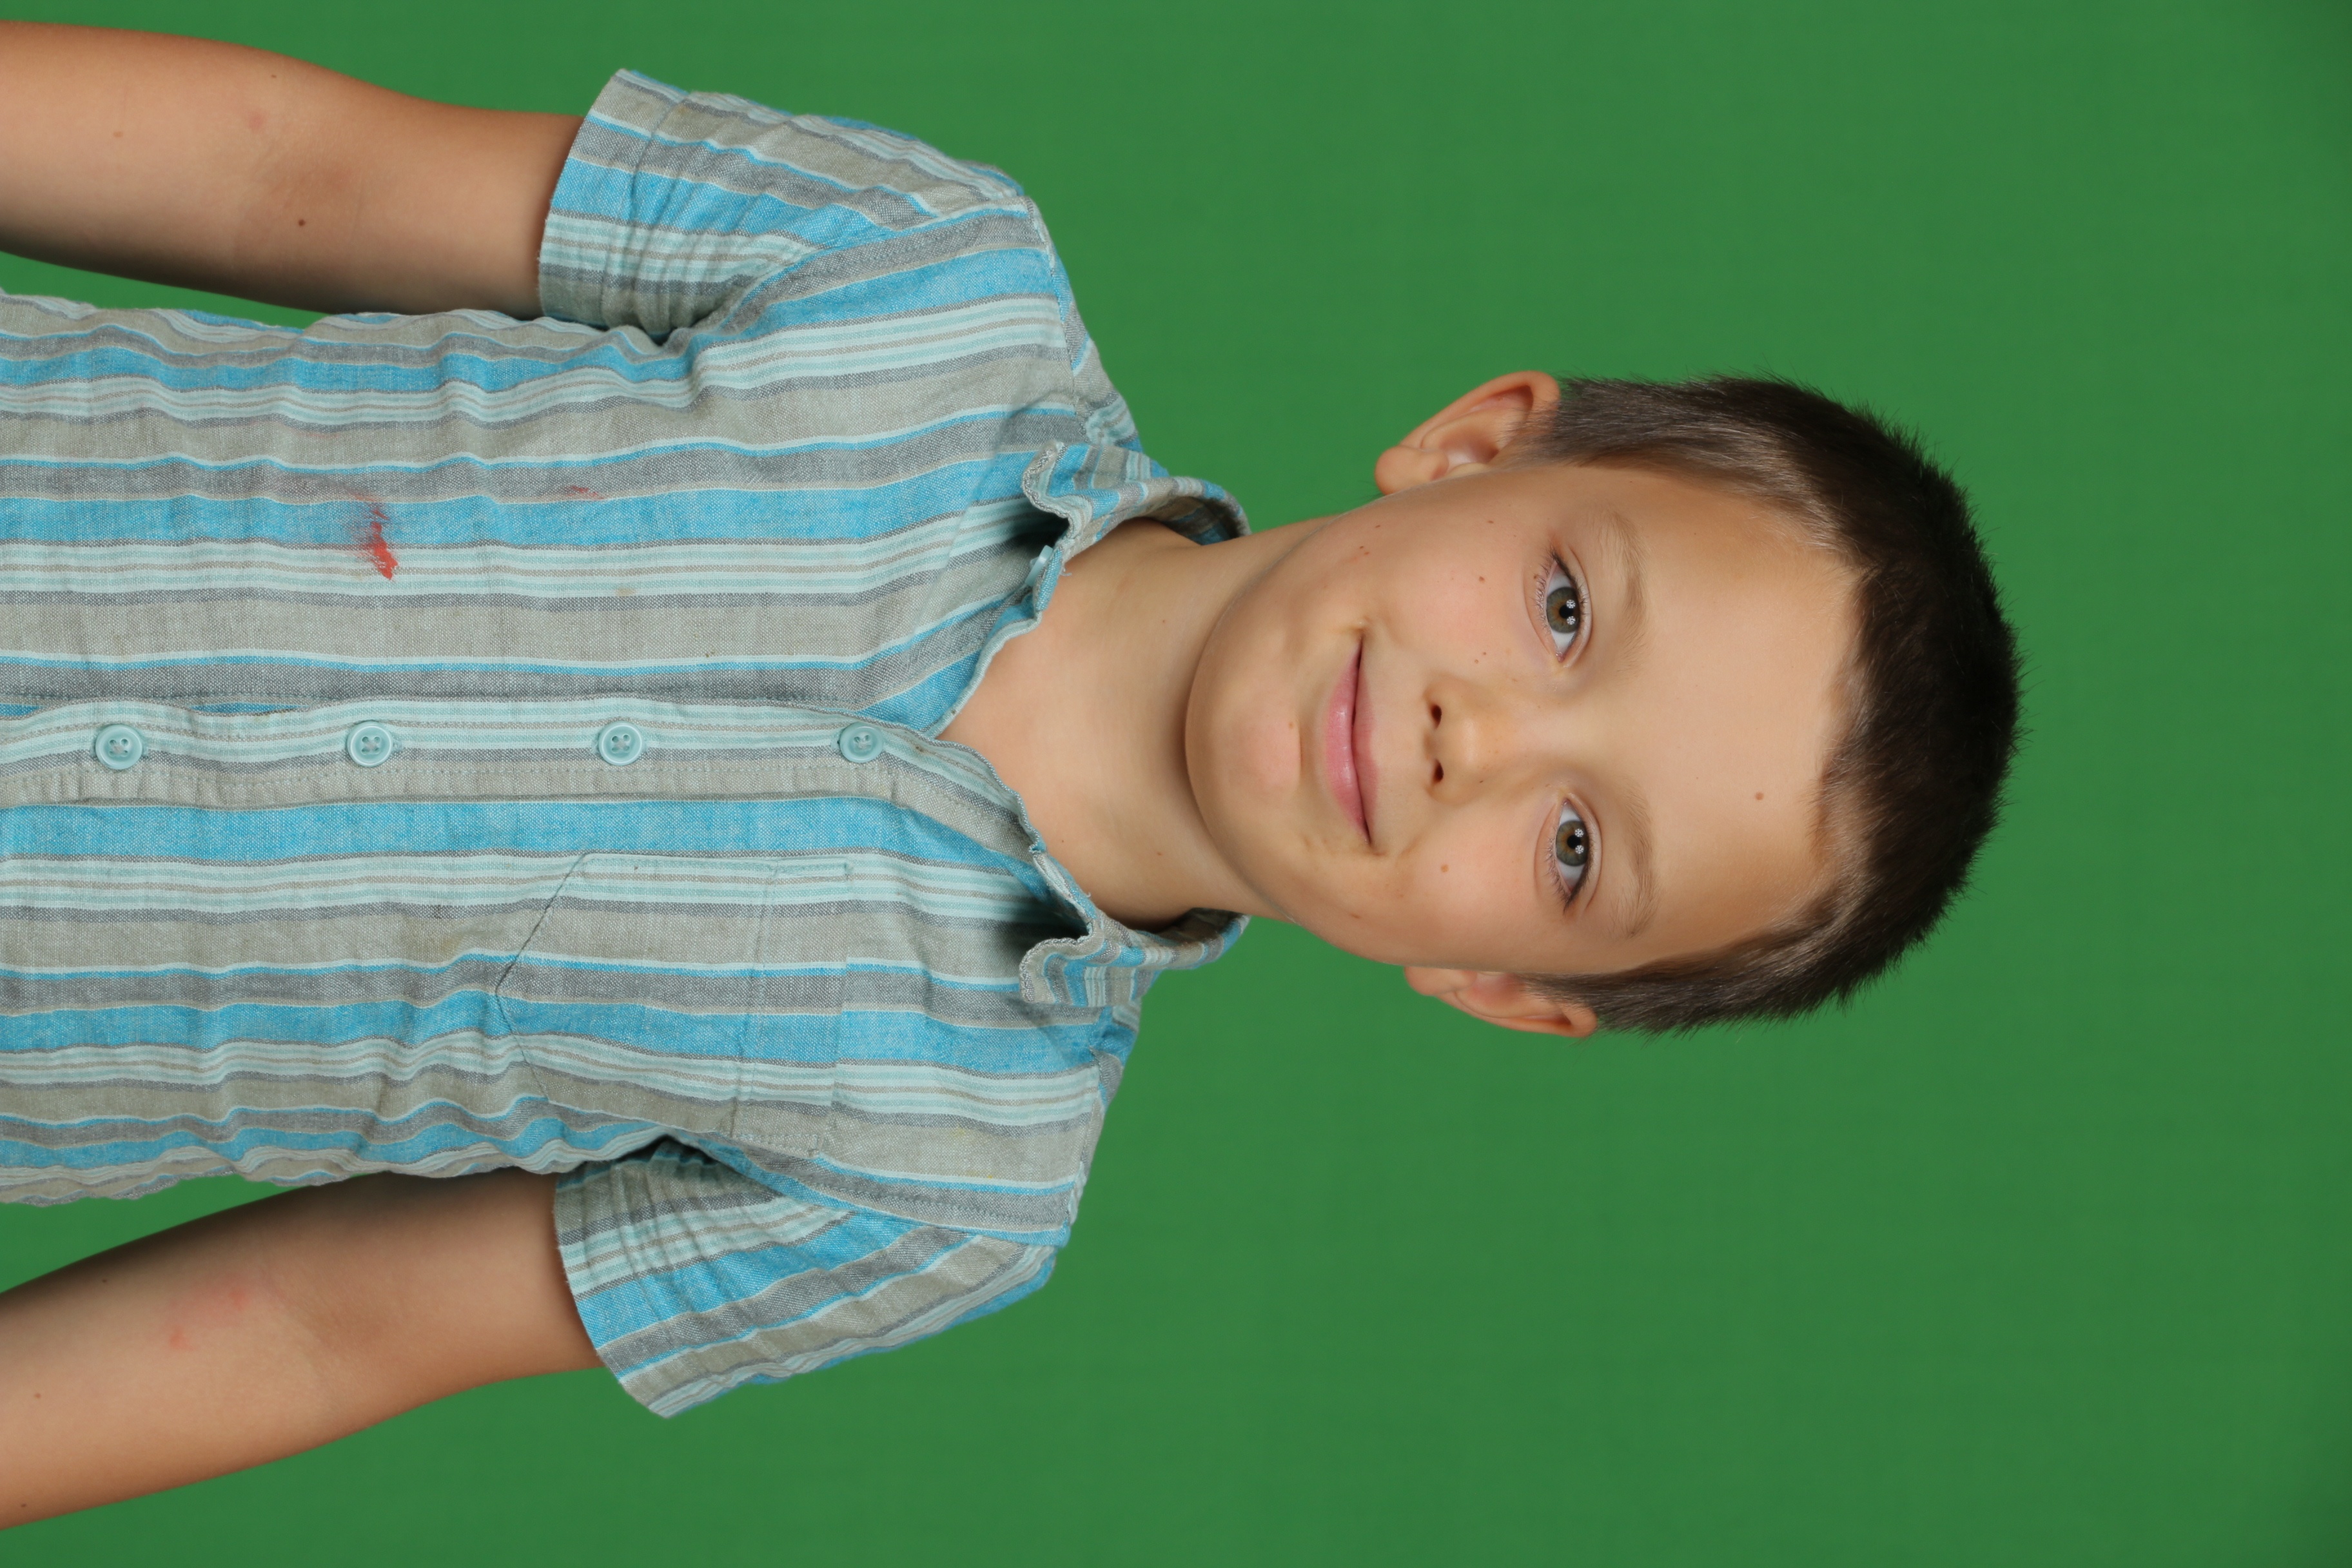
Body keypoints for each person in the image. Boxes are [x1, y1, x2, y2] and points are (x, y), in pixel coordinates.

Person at [0, 22, 2019, 1526]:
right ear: (1481, 445)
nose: (1470, 739)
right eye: (1566, 610)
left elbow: (321, 1325)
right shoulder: (926, 271)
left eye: (1576, 846)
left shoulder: (947, 1186)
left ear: (1502, 984)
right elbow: (299, 175)